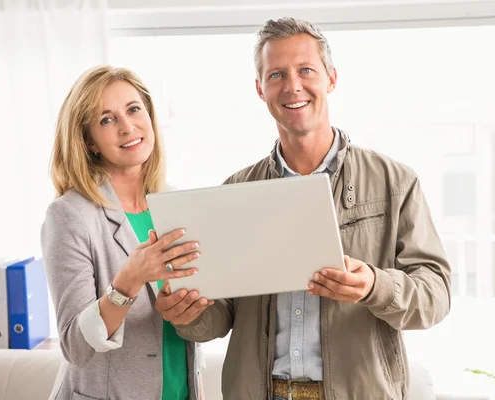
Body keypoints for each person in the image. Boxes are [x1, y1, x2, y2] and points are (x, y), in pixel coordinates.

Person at [156, 17, 452, 400]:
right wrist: (188, 313)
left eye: (305, 70)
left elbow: (435, 295)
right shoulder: (236, 191)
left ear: (331, 78)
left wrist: (374, 286)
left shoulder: (395, 182)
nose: (292, 85)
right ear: (260, 89)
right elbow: (220, 317)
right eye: (276, 74)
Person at [41, 65, 212, 400]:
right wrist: (128, 281)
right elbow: (75, 346)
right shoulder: (69, 215)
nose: (127, 126)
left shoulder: (174, 203)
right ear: (89, 141)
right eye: (107, 119)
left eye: (133, 110)